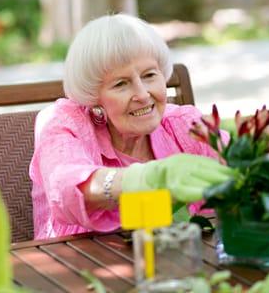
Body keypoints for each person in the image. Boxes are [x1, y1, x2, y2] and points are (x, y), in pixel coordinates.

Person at [29, 14, 232, 240]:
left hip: (179, 260)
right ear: (94, 96)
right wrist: (145, 179)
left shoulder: (183, 124)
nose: (143, 95)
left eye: (149, 75)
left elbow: (237, 166)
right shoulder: (63, 122)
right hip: (77, 264)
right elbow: (66, 186)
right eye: (121, 84)